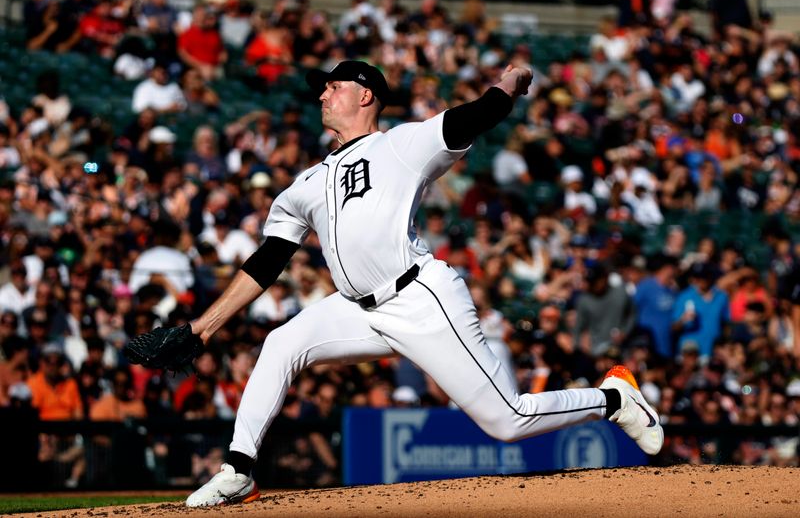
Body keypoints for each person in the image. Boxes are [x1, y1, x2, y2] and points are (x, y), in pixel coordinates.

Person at [164, 61, 662, 507]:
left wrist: (509, 82)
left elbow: (475, 116)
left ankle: (615, 398)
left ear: (365, 95)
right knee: (280, 343)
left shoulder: (400, 145)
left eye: (333, 87)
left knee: (508, 421)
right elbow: (268, 260)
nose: (322, 96)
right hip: (357, 308)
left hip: (419, 298)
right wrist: (203, 328)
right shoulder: (304, 185)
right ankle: (238, 470)